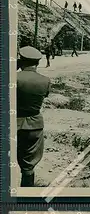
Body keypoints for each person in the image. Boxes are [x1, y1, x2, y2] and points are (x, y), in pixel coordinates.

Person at [16, 46, 50, 187]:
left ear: (20, 60)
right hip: (34, 124)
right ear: (37, 62)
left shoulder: (13, 78)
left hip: (13, 122)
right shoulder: (45, 80)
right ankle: (26, 192)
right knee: (28, 165)